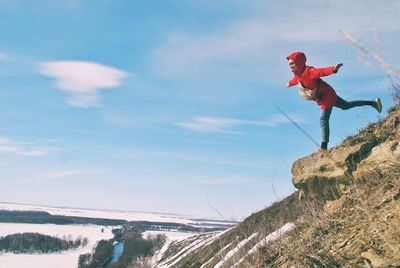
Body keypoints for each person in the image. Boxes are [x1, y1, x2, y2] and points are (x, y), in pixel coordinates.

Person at [286, 51, 382, 150]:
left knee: (323, 120)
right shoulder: (298, 75)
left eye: (292, 64)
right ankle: (373, 103)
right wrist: (289, 83)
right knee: (346, 105)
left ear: (299, 62)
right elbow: (296, 80)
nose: (290, 66)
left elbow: (321, 71)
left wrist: (333, 70)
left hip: (326, 97)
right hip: (327, 95)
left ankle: (324, 147)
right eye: (289, 64)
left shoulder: (309, 71)